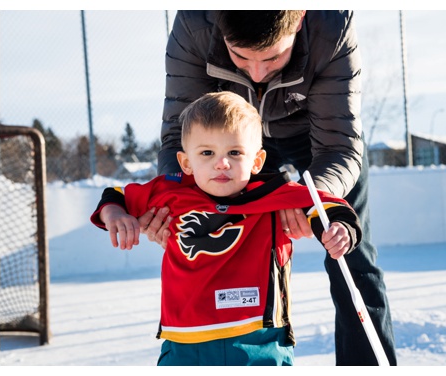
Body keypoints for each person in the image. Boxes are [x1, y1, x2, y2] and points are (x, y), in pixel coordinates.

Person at [139, 11, 397, 365]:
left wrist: (310, 203)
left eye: (273, 56)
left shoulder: (330, 27)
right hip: (235, 148)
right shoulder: (195, 24)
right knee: (236, 246)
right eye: (240, 56)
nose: (257, 73)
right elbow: (179, 140)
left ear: (300, 19)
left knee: (350, 255)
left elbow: (338, 147)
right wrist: (171, 204)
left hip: (320, 141)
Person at [91, 92, 362, 366]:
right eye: (207, 152)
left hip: (260, 338)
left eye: (234, 152)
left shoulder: (274, 194)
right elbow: (116, 195)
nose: (222, 163)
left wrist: (340, 227)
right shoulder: (170, 192)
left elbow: (326, 205)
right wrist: (115, 213)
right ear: (186, 163)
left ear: (256, 161)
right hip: (185, 339)